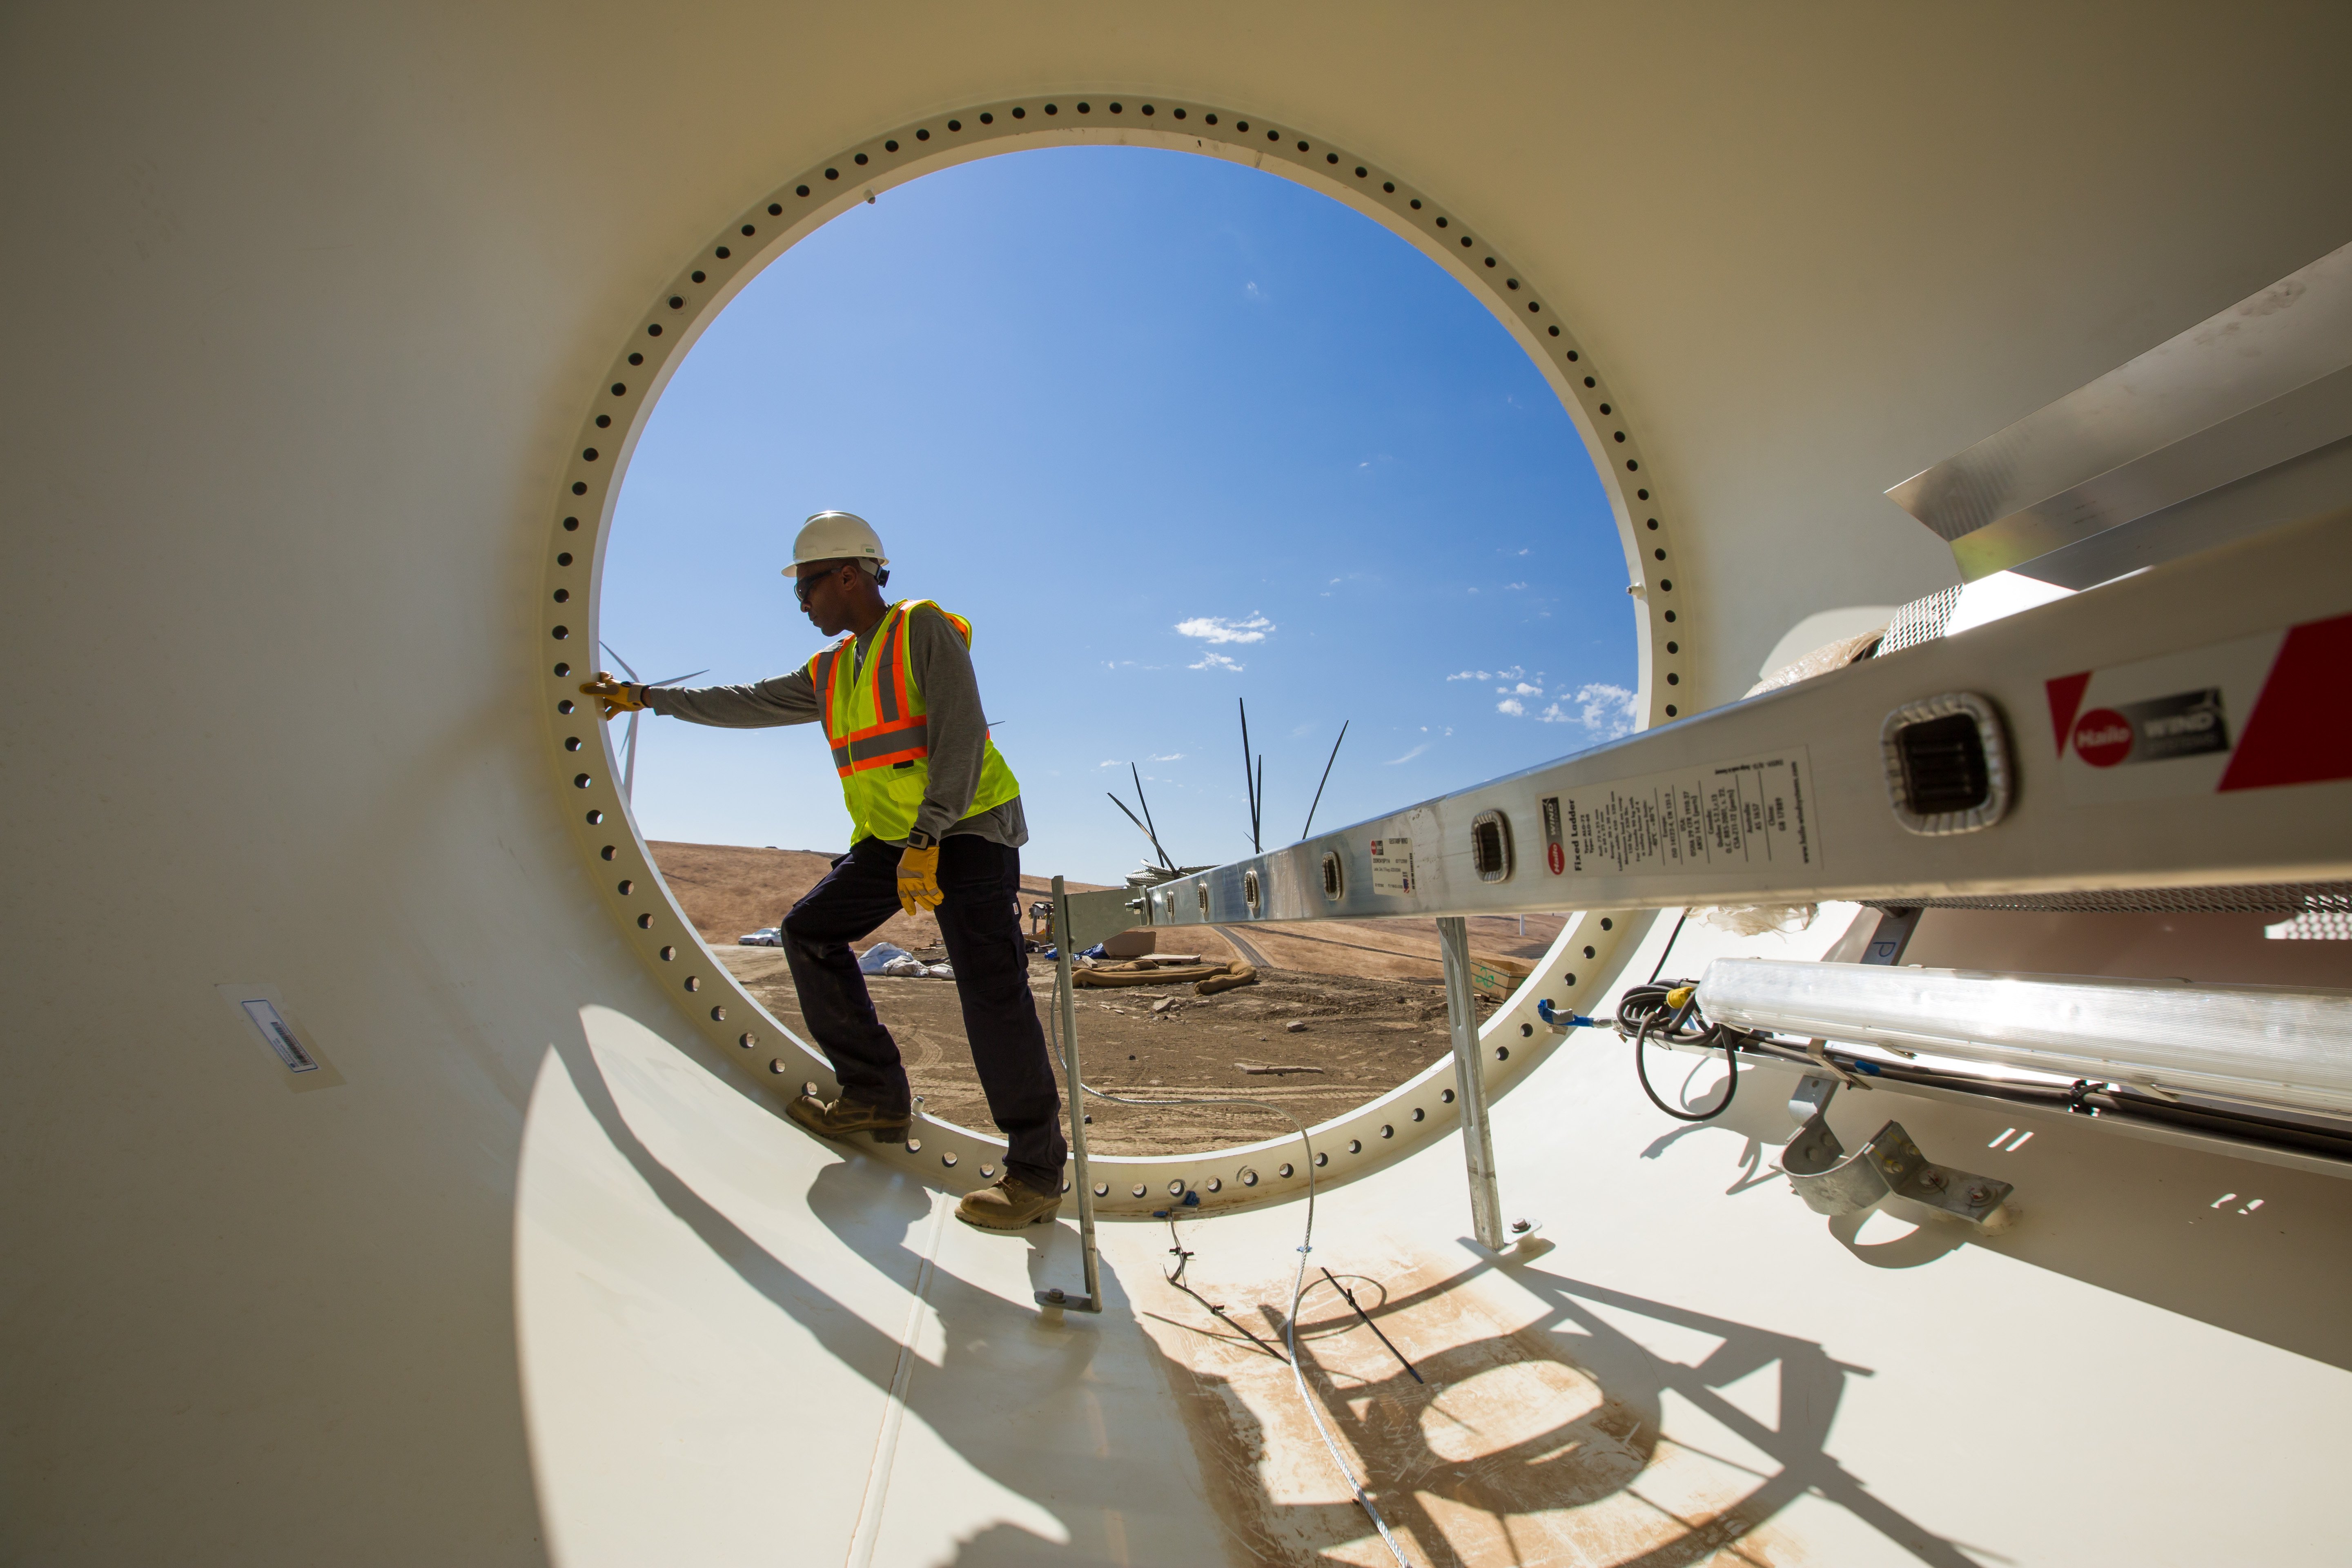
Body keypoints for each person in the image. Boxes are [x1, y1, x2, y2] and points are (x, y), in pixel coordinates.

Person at [579, 512, 1066, 1231]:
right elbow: (744, 701)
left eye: (804, 587)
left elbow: (961, 736)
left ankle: (1036, 1172)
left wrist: (929, 836)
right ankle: (875, 1094)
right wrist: (648, 698)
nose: (801, 603)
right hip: (894, 839)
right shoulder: (832, 670)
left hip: (965, 829)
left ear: (847, 576)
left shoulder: (921, 628)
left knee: (990, 992)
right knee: (808, 932)